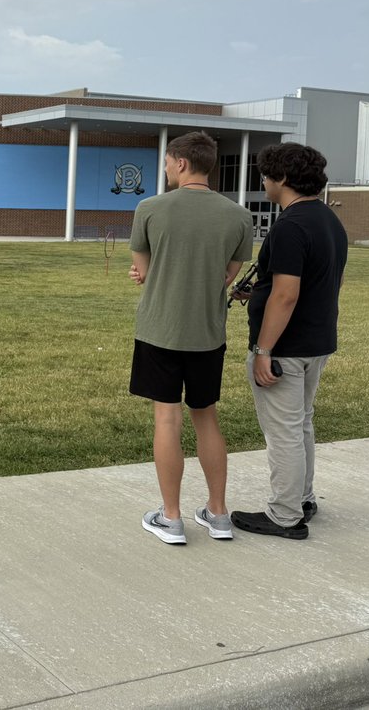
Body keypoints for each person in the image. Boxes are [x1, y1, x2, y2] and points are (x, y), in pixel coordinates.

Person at [128, 131, 254, 545]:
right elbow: (227, 275)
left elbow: (142, 270)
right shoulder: (238, 216)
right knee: (207, 418)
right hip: (207, 333)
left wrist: (149, 273)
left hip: (160, 329)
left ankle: (172, 517)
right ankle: (218, 514)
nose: (165, 169)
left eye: (166, 162)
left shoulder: (149, 208)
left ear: (181, 162)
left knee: (167, 418)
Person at [231, 143, 348, 540]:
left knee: (283, 431)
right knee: (301, 424)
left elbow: (287, 294)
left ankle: (284, 515)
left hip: (286, 348)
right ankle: (303, 497)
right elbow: (323, 282)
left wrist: (264, 350)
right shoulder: (329, 221)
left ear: (281, 178)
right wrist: (258, 294)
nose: (263, 181)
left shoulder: (289, 226)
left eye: (265, 175)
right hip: (318, 341)